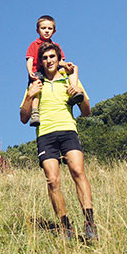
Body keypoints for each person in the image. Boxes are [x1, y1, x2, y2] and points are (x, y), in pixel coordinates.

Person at [20, 42, 98, 241]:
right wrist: (30, 96)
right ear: (41, 62)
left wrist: (79, 95)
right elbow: (23, 118)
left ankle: (90, 223)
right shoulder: (35, 84)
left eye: (52, 57)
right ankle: (65, 227)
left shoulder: (69, 80)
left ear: (58, 59)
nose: (49, 61)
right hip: (45, 135)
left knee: (78, 172)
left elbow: (86, 112)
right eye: (45, 58)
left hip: (68, 131)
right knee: (53, 180)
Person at [24, 15, 83, 127]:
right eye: (43, 28)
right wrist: (30, 70)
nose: (46, 31)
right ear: (38, 30)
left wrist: (66, 65)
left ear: (54, 31)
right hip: (38, 71)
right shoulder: (34, 45)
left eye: (49, 28)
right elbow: (30, 59)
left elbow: (60, 61)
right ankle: (35, 112)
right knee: (36, 87)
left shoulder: (55, 46)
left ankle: (73, 90)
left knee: (74, 68)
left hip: (55, 70)